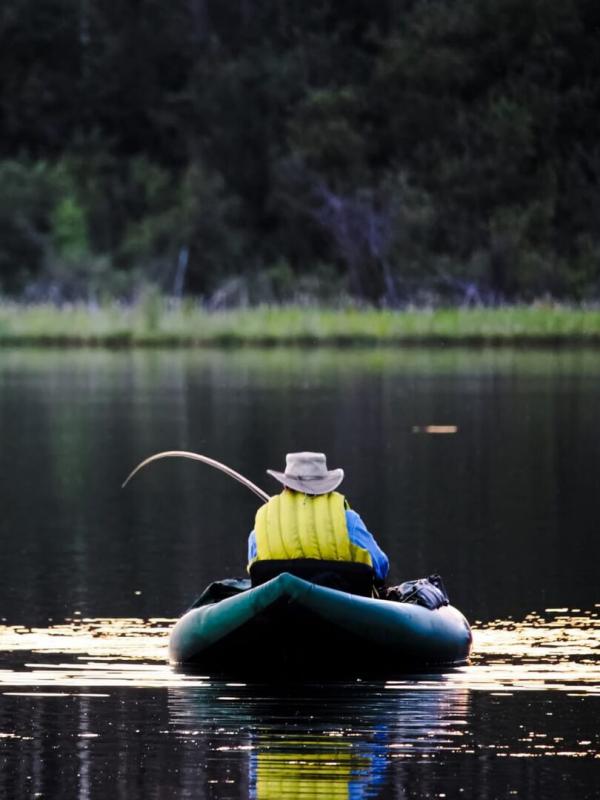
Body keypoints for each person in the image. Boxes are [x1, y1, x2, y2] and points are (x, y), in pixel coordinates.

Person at [247, 452, 389, 593]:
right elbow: (380, 566)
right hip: (342, 607)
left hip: (278, 607)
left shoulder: (263, 521)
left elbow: (254, 569)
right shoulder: (348, 519)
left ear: (285, 485)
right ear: (326, 484)